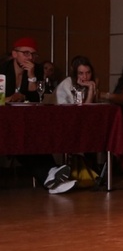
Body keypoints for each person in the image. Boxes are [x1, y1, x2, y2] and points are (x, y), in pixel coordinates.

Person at [0, 37, 76, 193]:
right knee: (20, 139)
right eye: (25, 53)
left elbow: (36, 97)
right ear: (14, 54)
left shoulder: (38, 69)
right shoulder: (2, 69)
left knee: (34, 135)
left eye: (33, 54)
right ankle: (51, 174)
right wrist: (9, 99)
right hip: (4, 120)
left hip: (23, 118)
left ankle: (51, 177)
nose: (30, 58)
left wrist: (31, 75)